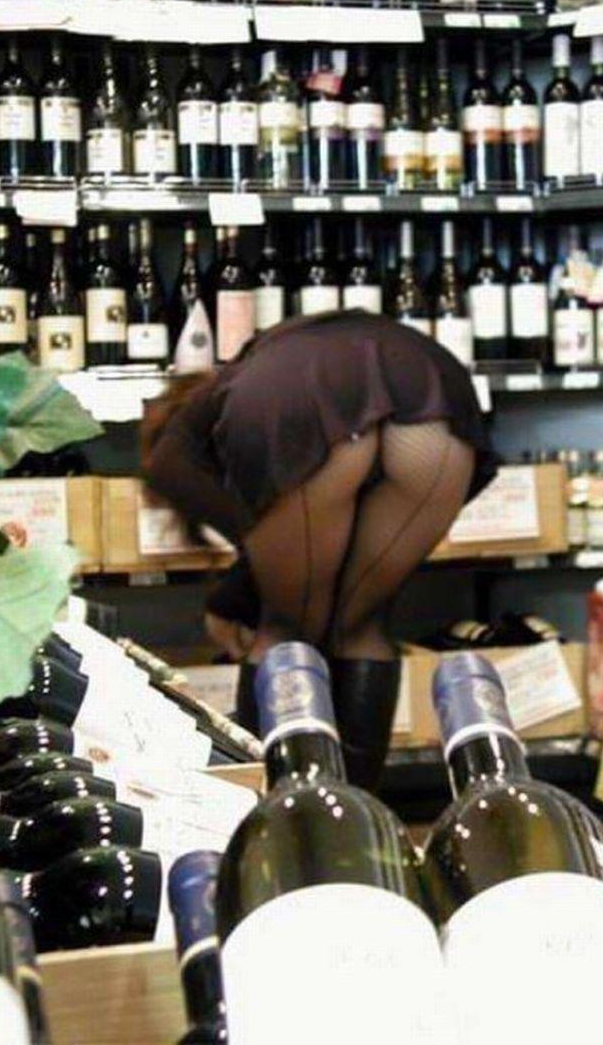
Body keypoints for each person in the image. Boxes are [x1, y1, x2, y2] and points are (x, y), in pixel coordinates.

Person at [143, 309, 497, 791]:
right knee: (360, 625)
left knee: (285, 630)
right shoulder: (283, 350)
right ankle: (360, 813)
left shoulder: (220, 391)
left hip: (301, 399)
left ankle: (275, 810)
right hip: (438, 399)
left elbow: (165, 465)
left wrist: (246, 577)